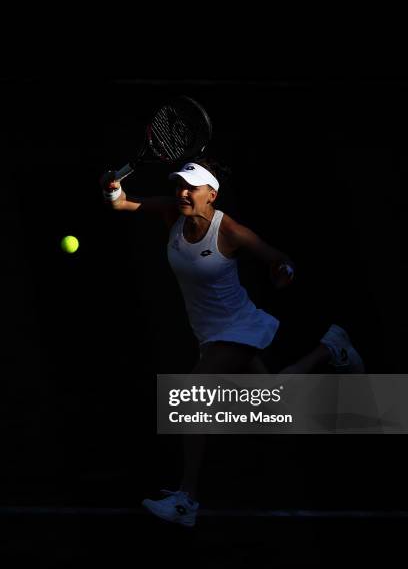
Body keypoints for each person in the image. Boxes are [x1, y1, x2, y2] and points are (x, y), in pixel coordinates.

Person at [101, 159, 364, 527]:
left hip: (237, 326)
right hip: (209, 334)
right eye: (180, 185)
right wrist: (112, 186)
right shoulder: (172, 213)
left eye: (192, 187)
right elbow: (121, 203)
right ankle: (331, 346)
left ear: (212, 194)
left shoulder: (232, 231)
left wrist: (282, 271)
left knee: (192, 395)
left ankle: (186, 500)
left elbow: (277, 259)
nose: (183, 192)